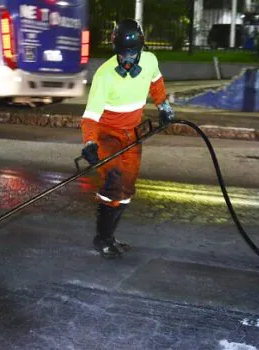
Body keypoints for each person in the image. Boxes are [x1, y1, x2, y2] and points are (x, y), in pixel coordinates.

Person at [79, 18, 175, 259]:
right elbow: (91, 115)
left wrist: (164, 106)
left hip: (132, 134)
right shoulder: (104, 75)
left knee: (127, 188)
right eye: (124, 54)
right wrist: (90, 143)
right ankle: (101, 239)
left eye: (133, 53)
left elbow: (156, 84)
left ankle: (110, 237)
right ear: (116, 49)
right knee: (113, 181)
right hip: (107, 135)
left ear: (141, 47)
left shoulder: (151, 60)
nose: (128, 59)